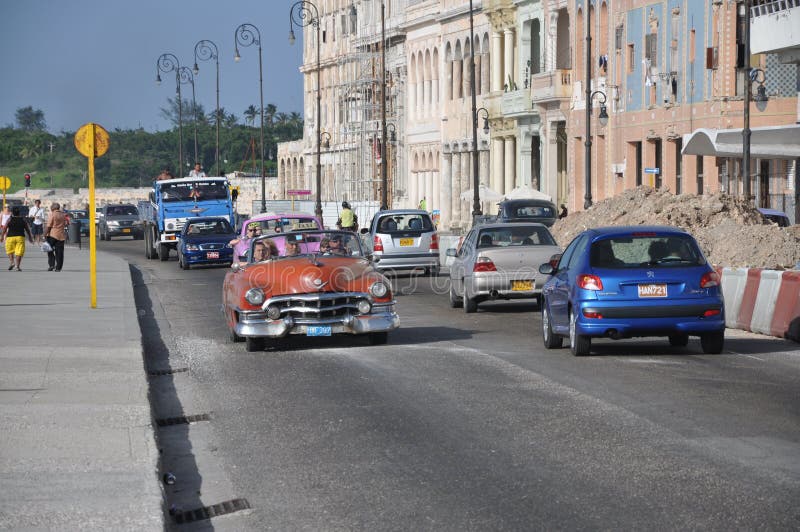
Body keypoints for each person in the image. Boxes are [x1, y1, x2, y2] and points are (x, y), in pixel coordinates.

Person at [2, 206, 33, 271]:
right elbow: (27, 229)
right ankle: (17, 266)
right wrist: (30, 237)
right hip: (20, 237)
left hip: (10, 237)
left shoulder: (9, 219)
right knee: (19, 252)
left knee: (10, 251)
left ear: (12, 213)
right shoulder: (23, 219)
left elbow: (5, 228)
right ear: (19, 213)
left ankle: (12, 262)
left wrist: (2, 236)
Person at [44, 202, 68, 272]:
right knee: (60, 252)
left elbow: (49, 226)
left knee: (49, 250)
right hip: (61, 235)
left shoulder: (52, 215)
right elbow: (66, 224)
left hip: (52, 235)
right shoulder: (63, 215)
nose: (50, 208)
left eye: (51, 207)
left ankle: (51, 264)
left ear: (53, 208)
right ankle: (58, 267)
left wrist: (44, 234)